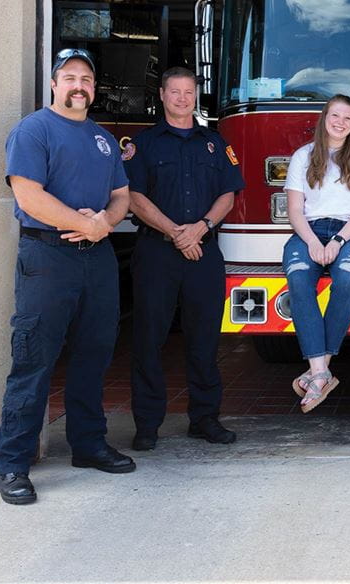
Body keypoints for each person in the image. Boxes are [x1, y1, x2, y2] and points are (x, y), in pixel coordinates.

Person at [0, 48, 134, 505]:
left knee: (94, 354)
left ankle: (89, 445)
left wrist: (104, 223)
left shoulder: (101, 139)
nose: (79, 85)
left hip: (97, 257)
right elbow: (29, 195)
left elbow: (121, 195)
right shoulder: (34, 129)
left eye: (87, 79)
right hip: (48, 256)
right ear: (54, 84)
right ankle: (13, 464)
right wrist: (83, 223)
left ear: (94, 89)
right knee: (34, 358)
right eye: (70, 77)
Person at [122, 67, 245, 451]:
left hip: (203, 251)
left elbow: (229, 192)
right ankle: (146, 425)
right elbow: (134, 197)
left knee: (205, 340)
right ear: (162, 95)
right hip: (157, 252)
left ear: (196, 95)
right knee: (148, 339)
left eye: (188, 91)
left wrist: (202, 227)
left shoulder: (215, 143)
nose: (181, 98)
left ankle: (205, 419)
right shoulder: (143, 145)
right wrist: (177, 233)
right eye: (174, 92)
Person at [283, 95, 350, 412]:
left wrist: (337, 241)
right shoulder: (303, 156)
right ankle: (321, 372)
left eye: (347, 118)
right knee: (299, 281)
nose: (340, 122)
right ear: (324, 118)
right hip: (308, 229)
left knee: (345, 280)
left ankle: (318, 371)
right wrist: (312, 241)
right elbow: (295, 209)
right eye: (335, 116)